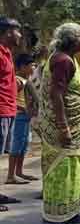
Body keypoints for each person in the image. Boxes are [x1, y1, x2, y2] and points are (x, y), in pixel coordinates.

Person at [38, 23, 80, 224]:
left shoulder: (67, 59)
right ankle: (53, 217)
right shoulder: (62, 60)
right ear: (75, 41)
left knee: (74, 166)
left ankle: (71, 212)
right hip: (62, 126)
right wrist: (64, 128)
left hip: (75, 126)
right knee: (60, 170)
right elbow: (56, 95)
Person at [0, 18, 23, 210]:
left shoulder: (6, 53)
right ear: (7, 32)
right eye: (17, 31)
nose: (20, 35)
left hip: (8, 110)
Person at [6, 54, 36, 184]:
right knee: (16, 145)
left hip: (25, 116)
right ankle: (10, 175)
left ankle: (19, 171)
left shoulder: (26, 80)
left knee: (24, 144)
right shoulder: (18, 81)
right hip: (19, 115)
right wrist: (23, 109)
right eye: (31, 65)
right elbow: (10, 99)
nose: (33, 68)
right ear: (23, 67)